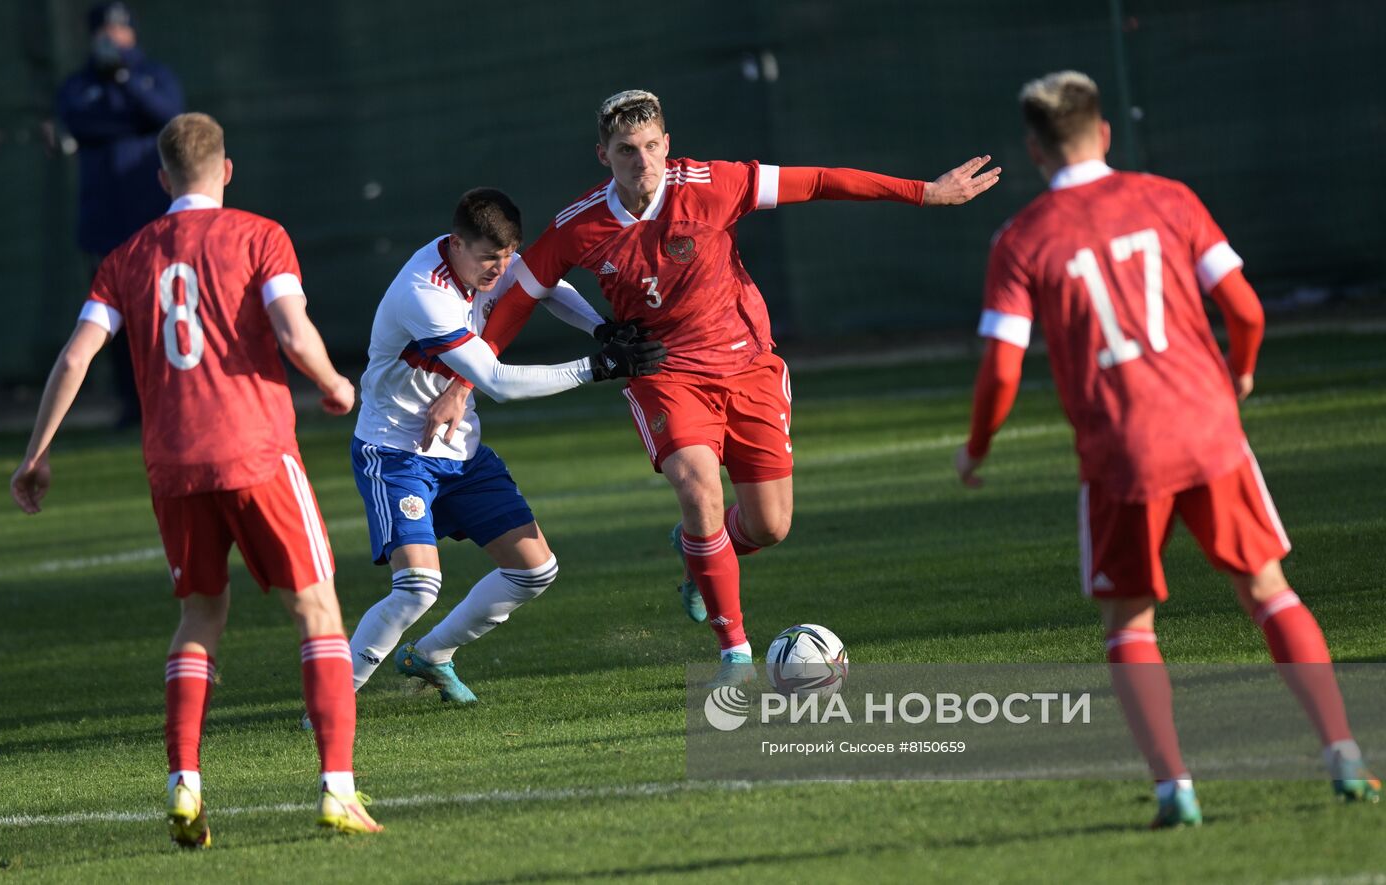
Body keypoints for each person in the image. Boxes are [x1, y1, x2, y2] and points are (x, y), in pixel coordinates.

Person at [955, 70, 1379, 827]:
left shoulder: (1020, 239)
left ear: (1032, 149)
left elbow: (1003, 368)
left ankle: (1173, 789)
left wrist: (978, 447)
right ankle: (1343, 753)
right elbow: (1244, 308)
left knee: (1129, 625)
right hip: (1210, 428)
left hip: (1122, 450)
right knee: (1269, 592)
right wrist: (1240, 369)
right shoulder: (1169, 197)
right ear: (1105, 133)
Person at [478, 89, 1000, 686]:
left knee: (770, 526)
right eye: (626, 150)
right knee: (697, 486)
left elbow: (821, 180)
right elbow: (519, 295)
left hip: (748, 365)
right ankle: (736, 655)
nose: (641, 162)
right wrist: (468, 379)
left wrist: (925, 192)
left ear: (667, 145)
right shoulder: (580, 226)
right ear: (603, 155)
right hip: (665, 373)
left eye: (651, 147)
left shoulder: (711, 185)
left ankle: (696, 551)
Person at [10, 113, 382, 845]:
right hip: (256, 451)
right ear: (227, 170)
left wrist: (36, 453)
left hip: (173, 465)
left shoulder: (125, 256)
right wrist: (333, 382)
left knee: (201, 616)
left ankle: (186, 783)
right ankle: (337, 789)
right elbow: (291, 328)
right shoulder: (259, 235)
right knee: (317, 611)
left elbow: (77, 355)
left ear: (161, 178)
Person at [343, 188, 666, 705]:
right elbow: (498, 381)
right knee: (417, 588)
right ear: (455, 245)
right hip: (396, 452)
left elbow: (543, 285)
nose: (499, 270)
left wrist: (601, 328)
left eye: (507, 255)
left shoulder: (492, 262)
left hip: (461, 450)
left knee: (534, 569)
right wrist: (597, 366)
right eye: (488, 259)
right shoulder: (422, 291)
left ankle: (431, 655)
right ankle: (330, 705)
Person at [57, 1, 184, 427]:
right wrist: (130, 121)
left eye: (121, 30)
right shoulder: (79, 85)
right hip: (106, 224)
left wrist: (125, 80)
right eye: (105, 32)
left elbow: (166, 116)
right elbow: (80, 122)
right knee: (113, 317)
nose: (114, 38)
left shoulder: (152, 74)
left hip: (155, 219)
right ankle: (131, 405)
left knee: (165, 309)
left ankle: (172, 401)